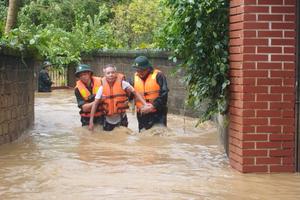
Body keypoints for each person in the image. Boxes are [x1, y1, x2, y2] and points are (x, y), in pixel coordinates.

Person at [88, 64, 150, 131]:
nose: (111, 75)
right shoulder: (102, 87)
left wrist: (145, 104)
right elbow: (95, 104)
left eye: (113, 72)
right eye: (108, 73)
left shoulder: (123, 83)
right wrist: (91, 121)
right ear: (105, 75)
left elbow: (135, 92)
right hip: (108, 120)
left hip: (121, 118)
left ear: (116, 73)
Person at [131, 56, 169, 131]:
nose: (139, 73)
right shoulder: (135, 77)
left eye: (142, 70)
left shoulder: (159, 75)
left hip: (158, 113)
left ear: (148, 68)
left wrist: (153, 106)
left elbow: (164, 95)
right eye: (138, 70)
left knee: (159, 135)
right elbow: (131, 94)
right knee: (143, 136)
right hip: (142, 114)